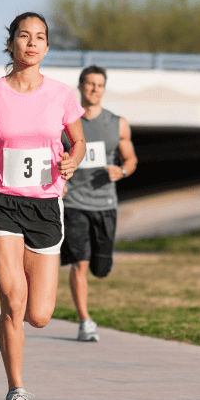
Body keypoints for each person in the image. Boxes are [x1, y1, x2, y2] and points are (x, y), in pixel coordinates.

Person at [0, 12, 85, 400]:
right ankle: (16, 390)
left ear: (47, 47)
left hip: (45, 206)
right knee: (13, 300)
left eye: (40, 38)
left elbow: (78, 141)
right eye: (24, 36)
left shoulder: (62, 95)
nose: (32, 43)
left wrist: (72, 161)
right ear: (11, 43)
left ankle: (15, 340)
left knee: (40, 315)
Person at [60, 65, 138, 342]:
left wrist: (123, 171)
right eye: (90, 84)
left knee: (101, 270)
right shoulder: (66, 122)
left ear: (104, 89)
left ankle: (97, 270)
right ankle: (85, 321)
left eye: (99, 85)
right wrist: (60, 179)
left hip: (105, 204)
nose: (94, 89)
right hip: (75, 203)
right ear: (80, 86)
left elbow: (130, 159)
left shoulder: (117, 123)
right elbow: (51, 153)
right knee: (79, 263)